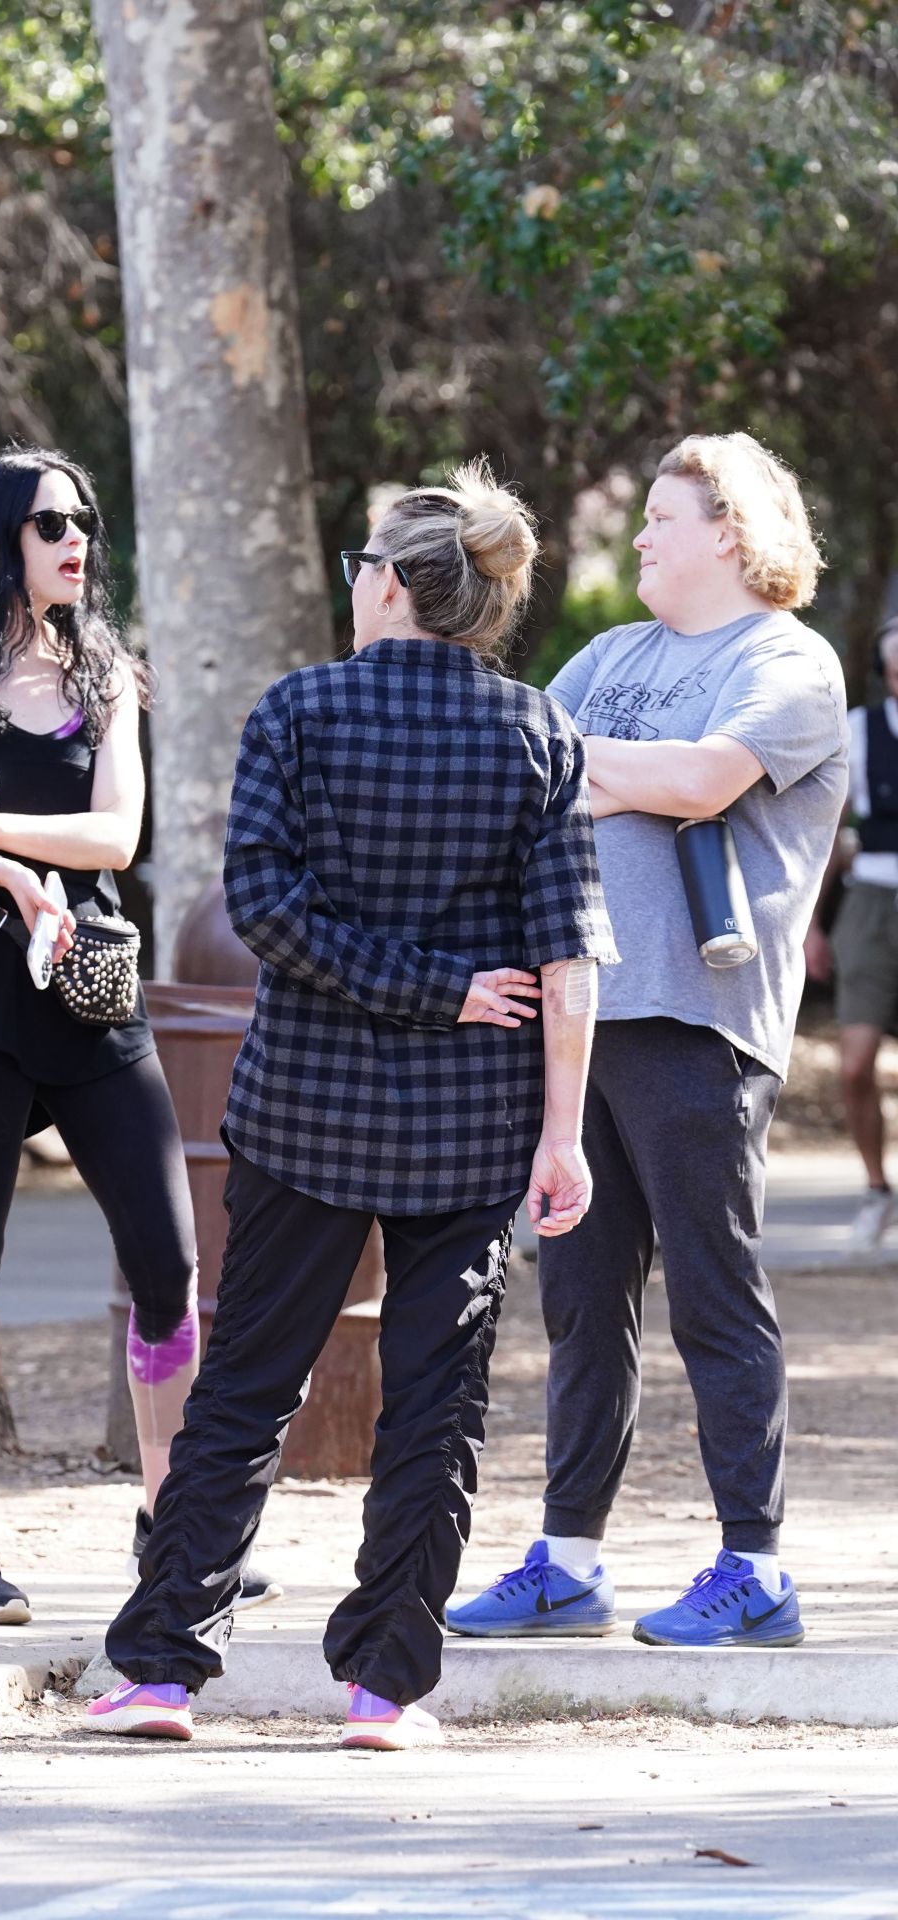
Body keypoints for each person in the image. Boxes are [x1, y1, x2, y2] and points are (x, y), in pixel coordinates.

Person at [87, 461, 617, 1749]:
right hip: (477, 1126)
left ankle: (162, 1668)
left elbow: (262, 912)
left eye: (358, 568)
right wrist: (558, 1129)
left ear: (387, 585)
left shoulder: (298, 713)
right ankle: (384, 1688)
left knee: (246, 1386)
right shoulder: (539, 733)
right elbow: (567, 965)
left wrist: (414, 987)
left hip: (304, 1116)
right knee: (437, 1403)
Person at [450, 431, 847, 1650]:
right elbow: (514, 772)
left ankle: (754, 1569)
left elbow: (705, 777)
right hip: (576, 1025)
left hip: (695, 1023)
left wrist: (616, 774)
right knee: (578, 1302)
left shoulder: (787, 660)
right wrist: (626, 775)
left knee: (714, 1298)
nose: (637, 538)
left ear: (726, 530)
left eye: (660, 519)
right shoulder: (611, 653)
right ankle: (567, 1560)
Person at [0, 446, 279, 1624]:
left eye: (85, 525)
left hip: (91, 983)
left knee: (170, 1266)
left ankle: (168, 1522)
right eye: (50, 523)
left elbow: (116, 837)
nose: (76, 544)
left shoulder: (103, 670)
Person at [804, 617, 898, 1249]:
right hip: (872, 902)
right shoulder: (860, 732)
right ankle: (875, 1188)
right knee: (856, 1062)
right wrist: (811, 923)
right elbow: (826, 836)